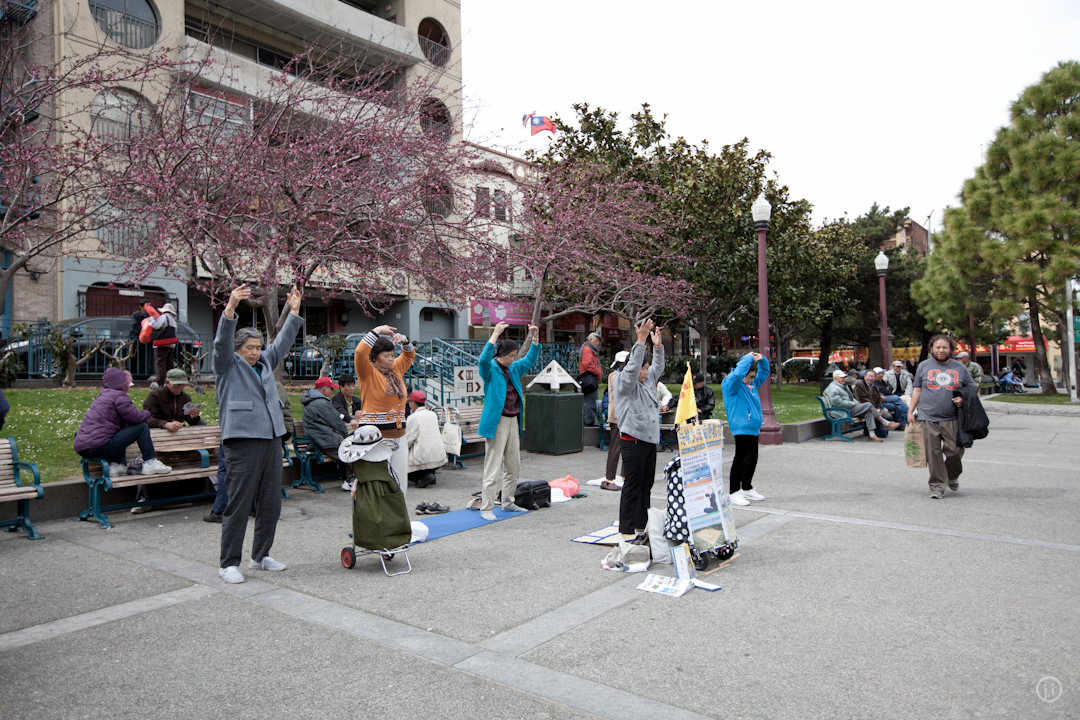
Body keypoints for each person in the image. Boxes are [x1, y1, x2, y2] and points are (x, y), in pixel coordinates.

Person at [212, 283, 303, 584]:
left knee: (270, 502)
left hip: (271, 439)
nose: (255, 352)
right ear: (238, 348)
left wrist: (294, 312)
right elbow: (221, 342)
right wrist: (230, 308)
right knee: (239, 503)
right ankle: (228, 563)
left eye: (258, 346)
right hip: (242, 440)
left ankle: (260, 555)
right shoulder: (226, 364)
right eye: (250, 347)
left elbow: (282, 343)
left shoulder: (265, 362)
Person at [477, 322, 540, 521]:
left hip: (513, 420)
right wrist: (495, 334)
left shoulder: (513, 368)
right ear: (501, 354)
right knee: (492, 465)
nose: (512, 359)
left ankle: (508, 501)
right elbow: (483, 359)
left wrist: (535, 338)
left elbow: (530, 360)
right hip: (497, 422)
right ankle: (486, 507)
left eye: (514, 356)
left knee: (513, 466)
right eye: (510, 356)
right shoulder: (490, 369)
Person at [612, 319, 664, 543]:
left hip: (649, 440)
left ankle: (641, 527)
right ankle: (626, 529)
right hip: (632, 440)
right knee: (632, 487)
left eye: (646, 368)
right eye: (642, 368)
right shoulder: (624, 382)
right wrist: (640, 341)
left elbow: (658, 368)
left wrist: (658, 347)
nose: (645, 372)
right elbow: (633, 369)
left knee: (646, 486)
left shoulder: (648, 380)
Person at [908, 335, 977, 499]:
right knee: (933, 454)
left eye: (945, 347)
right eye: (937, 347)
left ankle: (951, 475)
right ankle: (937, 486)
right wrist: (910, 411)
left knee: (955, 451)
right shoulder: (923, 366)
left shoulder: (960, 368)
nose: (941, 350)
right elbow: (917, 389)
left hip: (952, 417)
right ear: (931, 349)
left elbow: (972, 388)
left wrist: (963, 399)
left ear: (951, 350)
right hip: (927, 416)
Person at [74, 367, 172, 479]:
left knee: (120, 429)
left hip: (84, 448)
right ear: (123, 384)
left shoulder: (102, 396)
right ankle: (150, 463)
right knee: (142, 427)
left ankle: (116, 465)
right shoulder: (119, 396)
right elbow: (136, 417)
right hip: (99, 446)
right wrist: (149, 413)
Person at [354, 325, 415, 493]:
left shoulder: (395, 370)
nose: (391, 359)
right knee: (378, 482)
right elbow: (359, 353)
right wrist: (376, 331)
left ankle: (399, 509)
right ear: (374, 357)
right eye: (386, 355)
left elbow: (409, 355)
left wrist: (405, 340)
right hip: (376, 436)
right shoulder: (367, 372)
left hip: (399, 434)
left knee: (400, 482)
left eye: (392, 355)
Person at [721, 352, 769, 507]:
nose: (753, 379)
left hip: (752, 427)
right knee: (741, 459)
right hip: (742, 426)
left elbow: (765, 372)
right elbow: (739, 372)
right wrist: (748, 357)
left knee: (752, 458)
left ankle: (746, 487)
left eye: (754, 376)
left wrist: (762, 359)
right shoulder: (731, 383)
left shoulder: (752, 384)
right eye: (751, 376)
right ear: (744, 374)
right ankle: (734, 491)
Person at [823, 369, 898, 443]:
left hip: (848, 408)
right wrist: (853, 404)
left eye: (844, 377)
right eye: (841, 377)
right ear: (835, 378)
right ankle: (884, 422)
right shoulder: (834, 388)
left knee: (869, 412)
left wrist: (857, 403)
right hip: (842, 411)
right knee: (868, 405)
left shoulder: (842, 386)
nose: (843, 379)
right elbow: (838, 403)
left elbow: (852, 398)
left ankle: (872, 435)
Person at [301, 375, 358, 460]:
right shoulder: (321, 403)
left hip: (319, 440)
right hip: (326, 442)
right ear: (325, 389)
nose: (332, 392)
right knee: (354, 456)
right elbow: (337, 423)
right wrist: (347, 438)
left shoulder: (313, 401)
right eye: (332, 389)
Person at [405, 390, 446, 488]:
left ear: (413, 403)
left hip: (423, 458)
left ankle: (423, 477)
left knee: (402, 463)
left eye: (409, 403)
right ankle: (429, 474)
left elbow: (407, 440)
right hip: (439, 456)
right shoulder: (433, 414)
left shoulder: (413, 417)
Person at [604, 350, 629, 487]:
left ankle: (625, 476)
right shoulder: (614, 376)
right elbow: (622, 385)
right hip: (617, 416)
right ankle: (610, 478)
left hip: (628, 416)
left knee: (628, 448)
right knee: (615, 447)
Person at [854, 369, 894, 438]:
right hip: (864, 408)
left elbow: (879, 399)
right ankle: (875, 431)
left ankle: (872, 431)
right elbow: (861, 399)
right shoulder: (859, 385)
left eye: (872, 377)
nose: (870, 378)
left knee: (888, 416)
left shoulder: (875, 387)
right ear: (865, 376)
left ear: (875, 378)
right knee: (874, 414)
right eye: (868, 376)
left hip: (875, 408)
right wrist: (874, 408)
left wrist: (878, 408)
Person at [148, 302, 180, 387]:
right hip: (171, 344)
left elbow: (156, 325)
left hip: (161, 344)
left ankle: (160, 382)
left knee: (160, 362)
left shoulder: (163, 317)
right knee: (169, 363)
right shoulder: (173, 321)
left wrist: (151, 319)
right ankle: (171, 381)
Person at [579, 332, 603, 427]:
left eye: (598, 340)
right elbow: (588, 364)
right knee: (591, 400)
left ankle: (588, 420)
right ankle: (589, 421)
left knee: (591, 400)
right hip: (589, 379)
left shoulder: (588, 348)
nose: (598, 342)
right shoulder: (587, 349)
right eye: (596, 340)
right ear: (590, 340)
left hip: (589, 378)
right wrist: (598, 372)